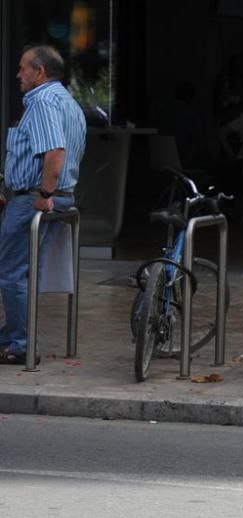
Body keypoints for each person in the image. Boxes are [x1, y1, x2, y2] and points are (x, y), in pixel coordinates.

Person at [0, 46, 85, 365]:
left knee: (10, 272)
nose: (18, 74)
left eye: (23, 68)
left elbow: (55, 152)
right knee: (24, 272)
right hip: (48, 195)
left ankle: (21, 344)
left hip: (38, 197)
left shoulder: (42, 102)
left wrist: (44, 193)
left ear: (40, 72)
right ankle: (12, 335)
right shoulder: (68, 102)